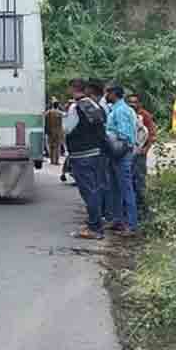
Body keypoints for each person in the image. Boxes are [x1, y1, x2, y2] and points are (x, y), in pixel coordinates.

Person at [63, 79, 106, 240]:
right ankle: (95, 223)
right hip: (96, 153)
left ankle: (95, 228)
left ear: (72, 89)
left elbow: (66, 129)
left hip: (81, 155)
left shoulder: (76, 107)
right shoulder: (96, 105)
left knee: (88, 191)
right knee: (95, 189)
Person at [105, 85, 138, 236]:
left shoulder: (121, 111)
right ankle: (117, 220)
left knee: (126, 188)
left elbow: (124, 135)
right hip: (116, 153)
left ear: (113, 94)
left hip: (121, 153)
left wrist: (112, 140)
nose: (106, 95)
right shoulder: (118, 109)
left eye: (108, 93)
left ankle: (131, 225)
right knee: (115, 188)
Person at [127, 93, 156, 221]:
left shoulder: (145, 116)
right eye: (130, 102)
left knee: (139, 181)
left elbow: (152, 134)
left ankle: (142, 210)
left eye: (135, 102)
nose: (132, 104)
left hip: (139, 154)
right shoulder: (126, 114)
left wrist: (145, 149)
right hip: (127, 153)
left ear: (139, 104)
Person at [86, 80, 112, 223]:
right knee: (102, 182)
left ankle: (102, 214)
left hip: (101, 149)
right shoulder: (102, 106)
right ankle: (103, 213)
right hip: (101, 149)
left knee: (101, 182)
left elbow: (102, 130)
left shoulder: (99, 107)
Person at [44, 98, 65, 165]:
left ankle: (52, 160)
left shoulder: (48, 112)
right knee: (57, 146)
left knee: (51, 146)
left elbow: (45, 120)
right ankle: (56, 160)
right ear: (58, 105)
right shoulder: (60, 113)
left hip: (50, 131)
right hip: (58, 131)